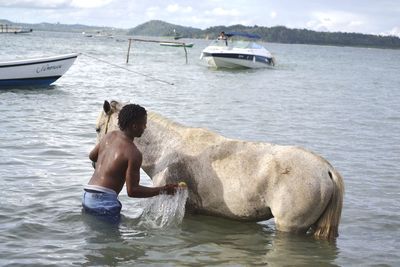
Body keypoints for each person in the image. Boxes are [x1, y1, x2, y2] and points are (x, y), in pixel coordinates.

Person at [82, 104, 178, 222]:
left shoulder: (109, 136)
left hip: (88, 196)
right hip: (104, 202)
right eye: (143, 124)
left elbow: (92, 156)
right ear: (134, 126)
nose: (145, 127)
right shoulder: (133, 153)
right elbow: (132, 191)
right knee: (112, 239)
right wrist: (164, 190)